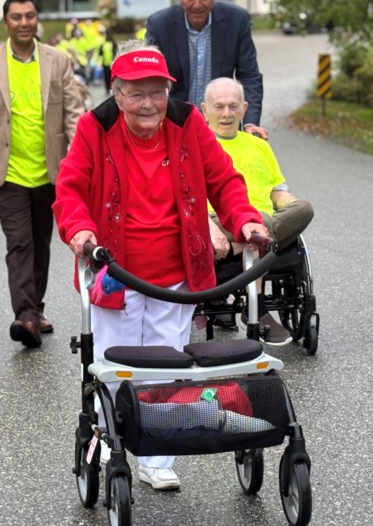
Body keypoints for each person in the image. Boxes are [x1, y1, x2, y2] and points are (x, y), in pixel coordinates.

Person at [52, 41, 268, 491]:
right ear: (117, 92)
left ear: (169, 90)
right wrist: (79, 230)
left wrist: (244, 221)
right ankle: (114, 446)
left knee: (169, 369)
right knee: (119, 367)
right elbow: (70, 188)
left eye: (157, 91)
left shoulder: (188, 122)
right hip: (114, 272)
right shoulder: (96, 126)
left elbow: (224, 179)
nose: (148, 103)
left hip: (177, 273)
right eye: (136, 93)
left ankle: (155, 456)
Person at [0, 0, 84, 348]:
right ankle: (26, 316)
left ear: (37, 20)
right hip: (8, 171)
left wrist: (82, 160)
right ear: (6, 22)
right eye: (16, 17)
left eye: (29, 16)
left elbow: (74, 113)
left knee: (41, 245)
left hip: (51, 170)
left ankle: (36, 307)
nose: (23, 23)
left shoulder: (57, 60)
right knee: (19, 243)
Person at [200, 77, 314, 345]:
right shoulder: (198, 145)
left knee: (304, 208)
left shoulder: (259, 145)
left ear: (244, 108)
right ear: (204, 110)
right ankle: (257, 307)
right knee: (257, 220)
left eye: (233, 106)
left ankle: (236, 248)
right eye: (218, 107)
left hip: (261, 222)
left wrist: (289, 205)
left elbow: (278, 191)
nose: (226, 114)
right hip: (218, 221)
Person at [144, 0, 268, 140]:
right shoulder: (159, 25)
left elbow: (249, 76)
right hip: (174, 126)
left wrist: (250, 123)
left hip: (221, 127)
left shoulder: (236, 20)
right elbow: (148, 80)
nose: (197, 4)